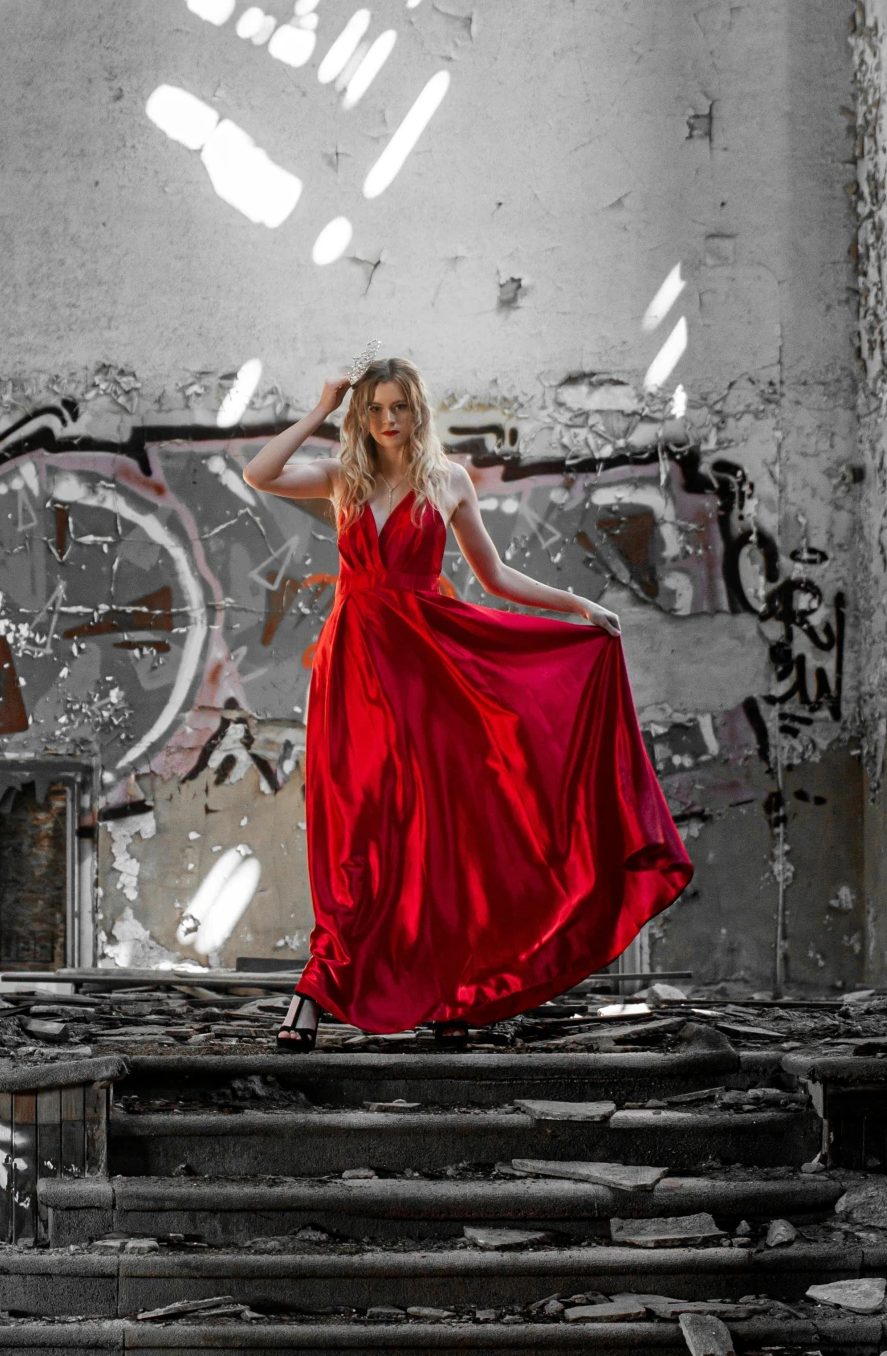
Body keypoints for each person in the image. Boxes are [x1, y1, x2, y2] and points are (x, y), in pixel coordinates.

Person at [242, 357, 692, 1048]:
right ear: (360, 417)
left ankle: (452, 987)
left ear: (417, 410)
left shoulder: (447, 480)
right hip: (353, 667)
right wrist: (320, 406)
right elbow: (259, 473)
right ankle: (321, 983)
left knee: (437, 833)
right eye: (374, 409)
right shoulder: (344, 478)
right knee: (355, 826)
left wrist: (576, 604)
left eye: (398, 406)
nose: (387, 420)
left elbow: (494, 575)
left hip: (425, 669)